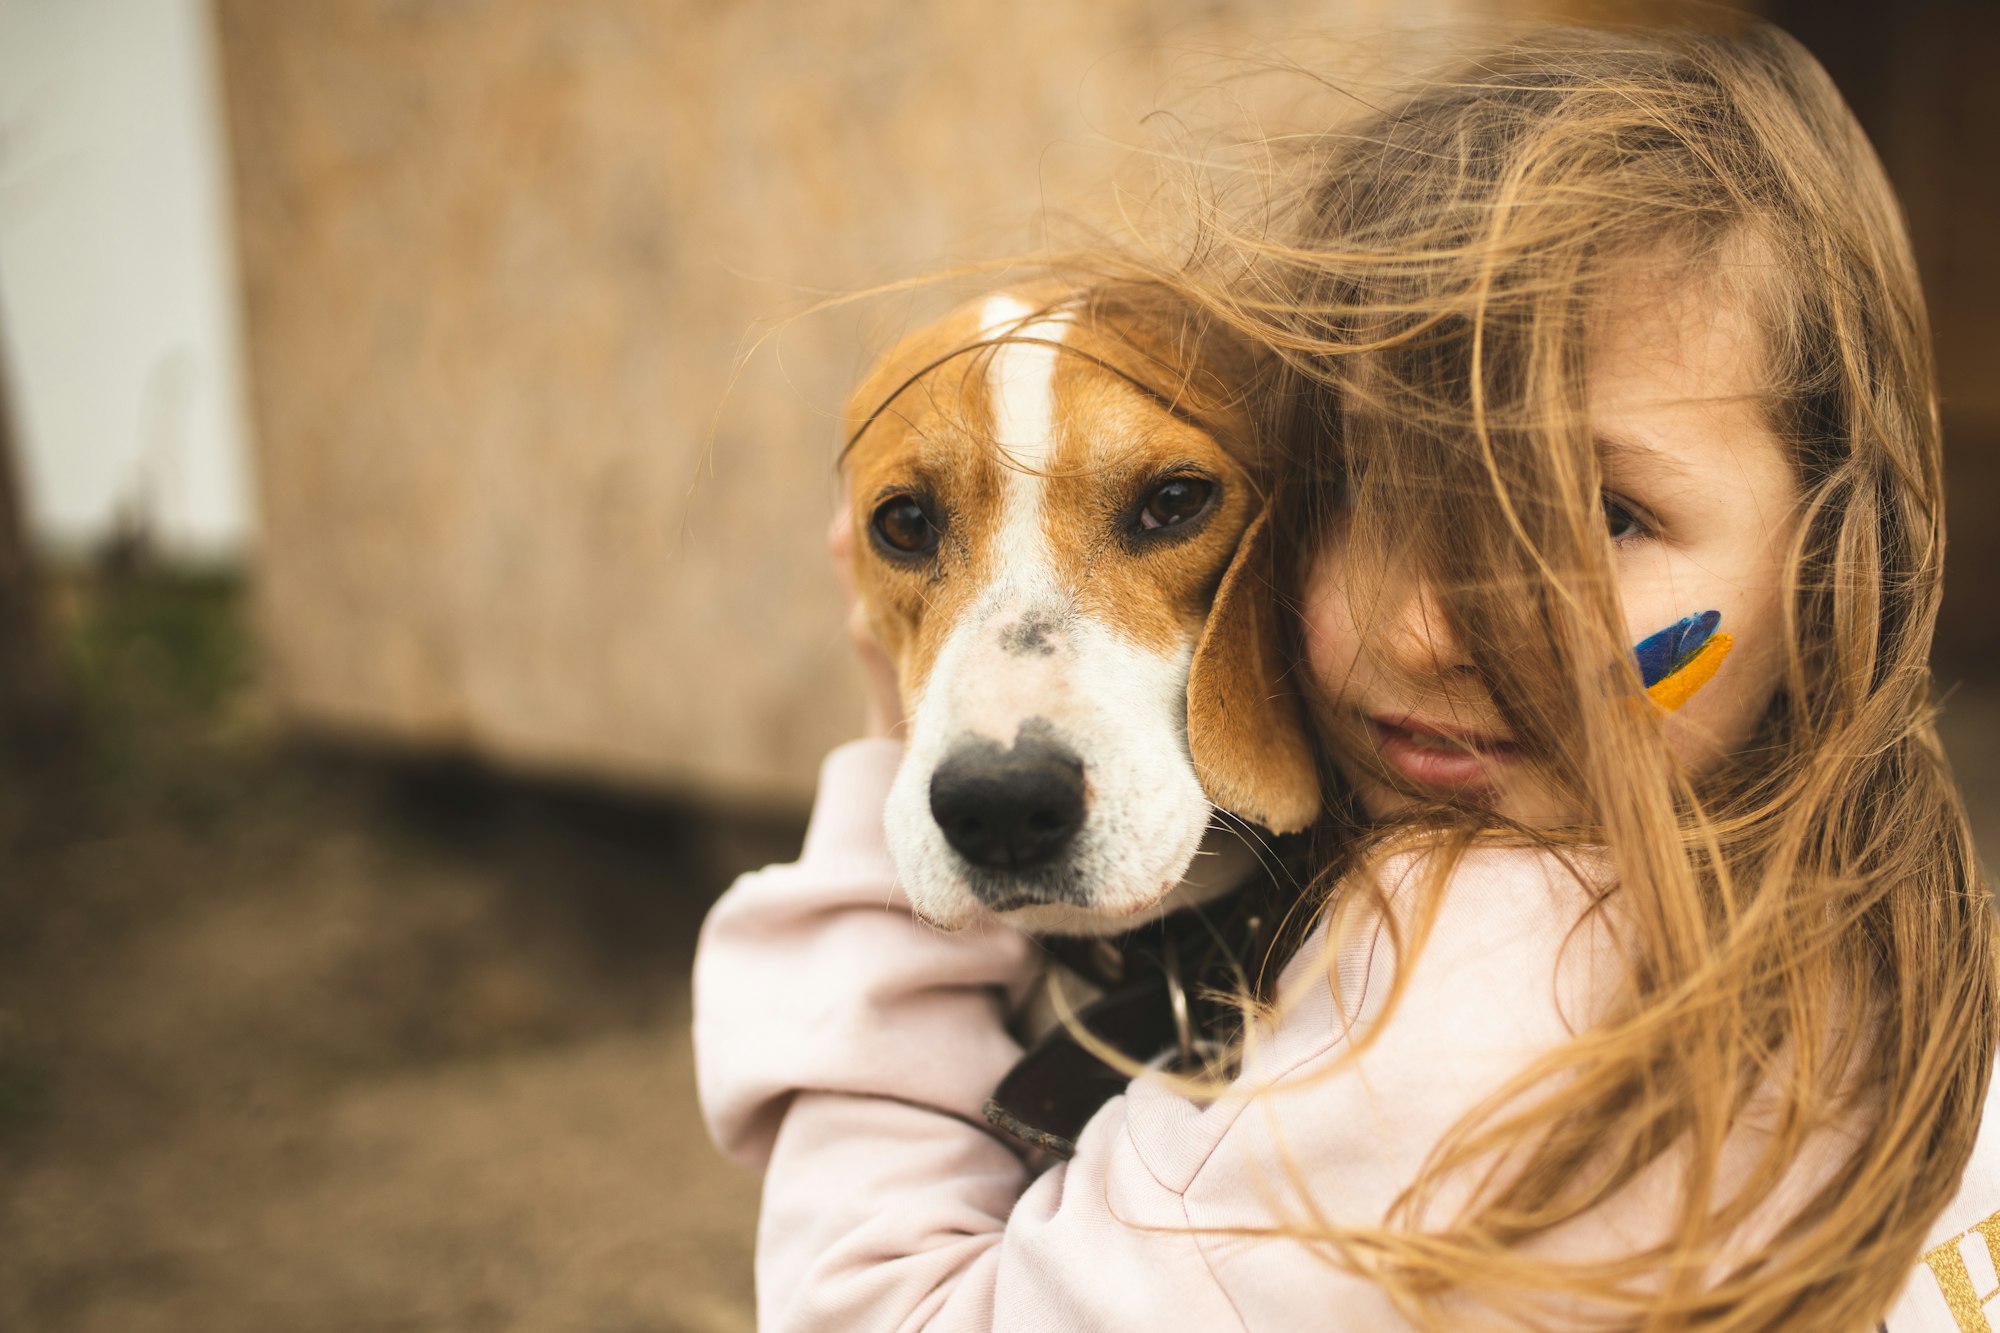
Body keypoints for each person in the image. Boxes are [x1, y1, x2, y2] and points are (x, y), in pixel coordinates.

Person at [694, 19, 2000, 1331]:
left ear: (1839, 563)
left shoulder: (1436, 991)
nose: (1429, 626)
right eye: (1370, 481)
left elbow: (875, 1312)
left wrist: (879, 783)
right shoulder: (1902, 933)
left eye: (1600, 514)